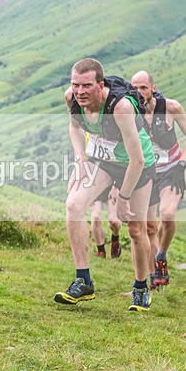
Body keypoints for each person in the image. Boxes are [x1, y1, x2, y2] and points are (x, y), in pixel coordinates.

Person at [60, 58, 156, 311]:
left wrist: (123, 198)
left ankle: (141, 288)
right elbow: (74, 127)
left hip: (137, 164)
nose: (80, 91)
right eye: (76, 84)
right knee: (74, 205)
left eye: (87, 85)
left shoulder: (120, 108)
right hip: (103, 160)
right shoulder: (71, 98)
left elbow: (137, 160)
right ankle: (84, 281)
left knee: (136, 229)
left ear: (100, 85)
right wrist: (80, 159)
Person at [130, 71, 186, 289]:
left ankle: (161, 254)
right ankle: (152, 279)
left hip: (171, 170)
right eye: (135, 88)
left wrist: (182, 164)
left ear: (153, 88)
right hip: (146, 172)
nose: (139, 93)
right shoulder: (129, 111)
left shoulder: (171, 107)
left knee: (167, 214)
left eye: (143, 88)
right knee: (149, 228)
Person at [90, 185, 122, 258]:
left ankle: (115, 239)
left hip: (112, 185)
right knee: (95, 217)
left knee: (113, 221)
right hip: (95, 185)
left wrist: (115, 187)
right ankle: (101, 251)